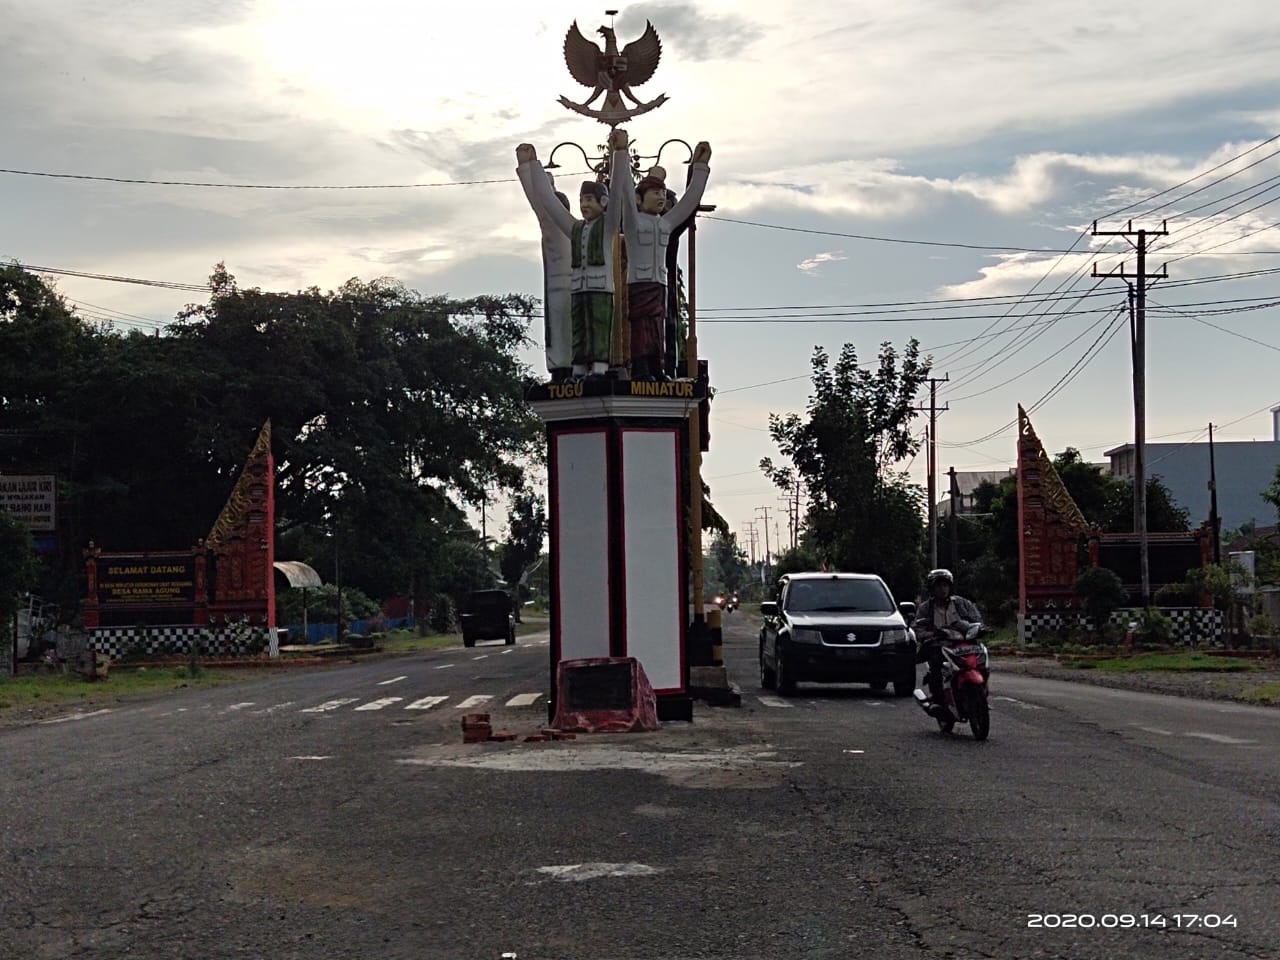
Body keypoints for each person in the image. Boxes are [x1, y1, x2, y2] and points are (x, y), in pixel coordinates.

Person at [610, 128, 711, 381]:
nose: (660, 197)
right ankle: (642, 369)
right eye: (654, 193)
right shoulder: (633, 223)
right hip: (639, 285)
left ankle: (657, 368)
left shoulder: (665, 224)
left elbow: (689, 202)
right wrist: (620, 153)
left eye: (662, 193)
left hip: (660, 285)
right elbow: (622, 190)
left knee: (657, 330)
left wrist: (700, 166)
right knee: (641, 329)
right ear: (639, 199)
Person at [516, 142, 623, 379]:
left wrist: (620, 154)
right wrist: (532, 165)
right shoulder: (573, 228)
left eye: (589, 200)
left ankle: (599, 366)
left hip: (599, 288)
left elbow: (618, 196)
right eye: (582, 200)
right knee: (580, 329)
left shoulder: (607, 227)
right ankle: (579, 366)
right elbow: (546, 202)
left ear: (602, 204)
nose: (584, 205)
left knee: (597, 325)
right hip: (578, 290)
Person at [514, 164, 573, 381]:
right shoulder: (571, 227)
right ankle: (565, 368)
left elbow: (539, 201)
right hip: (562, 287)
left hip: (562, 288)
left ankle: (562, 368)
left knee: (560, 331)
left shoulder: (561, 227)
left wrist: (530, 168)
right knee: (562, 332)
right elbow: (543, 200)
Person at [912, 569, 983, 714]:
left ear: (950, 587)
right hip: (940, 645)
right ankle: (938, 700)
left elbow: (977, 620)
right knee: (936, 665)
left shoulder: (962, 603)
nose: (942, 589)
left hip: (964, 643)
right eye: (938, 586)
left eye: (945, 585)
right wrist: (931, 634)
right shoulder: (926, 608)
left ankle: (982, 690)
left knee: (981, 658)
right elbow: (918, 629)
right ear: (932, 588)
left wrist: (981, 628)